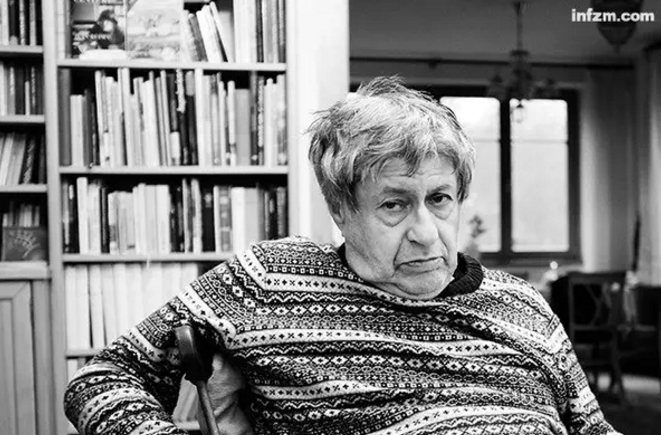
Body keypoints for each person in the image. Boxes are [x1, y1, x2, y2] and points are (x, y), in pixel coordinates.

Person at [64, 76, 622, 435]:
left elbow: (593, 428)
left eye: (439, 199)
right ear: (340, 210)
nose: (426, 233)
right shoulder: (267, 281)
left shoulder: (523, 304)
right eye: (394, 205)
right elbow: (103, 376)